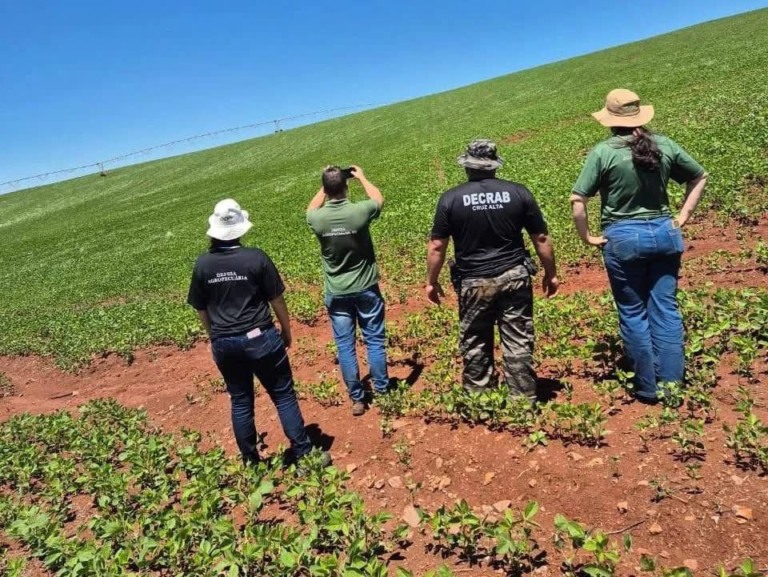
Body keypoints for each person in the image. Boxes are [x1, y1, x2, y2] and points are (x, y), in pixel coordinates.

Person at [571, 88, 708, 403]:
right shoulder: (664, 145)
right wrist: (683, 215)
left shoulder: (603, 152)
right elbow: (699, 176)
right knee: (666, 310)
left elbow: (579, 200)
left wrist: (587, 236)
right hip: (665, 233)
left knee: (633, 312)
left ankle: (647, 389)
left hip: (623, 238)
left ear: (610, 120)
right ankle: (673, 389)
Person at [188, 199, 329, 467]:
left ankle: (251, 463)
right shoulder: (256, 257)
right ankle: (304, 454)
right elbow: (277, 300)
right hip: (260, 338)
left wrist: (214, 336)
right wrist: (286, 331)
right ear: (240, 228)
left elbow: (201, 309)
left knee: (241, 401)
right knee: (283, 395)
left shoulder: (203, 264)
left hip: (224, 343)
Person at [426, 139, 559, 401]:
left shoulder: (450, 199)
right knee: (518, 339)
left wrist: (431, 281)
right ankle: (522, 399)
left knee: (475, 340)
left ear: (468, 166)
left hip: (473, 281)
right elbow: (541, 237)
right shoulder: (518, 192)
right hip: (514, 276)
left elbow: (437, 246)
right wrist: (550, 272)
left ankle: (479, 398)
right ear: (494, 166)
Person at [307, 165, 389, 416]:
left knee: (345, 346)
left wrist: (327, 182)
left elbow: (310, 208)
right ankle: (383, 391)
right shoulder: (360, 211)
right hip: (366, 288)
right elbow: (378, 199)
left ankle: (357, 398)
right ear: (345, 185)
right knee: (374, 340)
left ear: (326, 189)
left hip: (337, 292)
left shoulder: (316, 219)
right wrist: (361, 177)